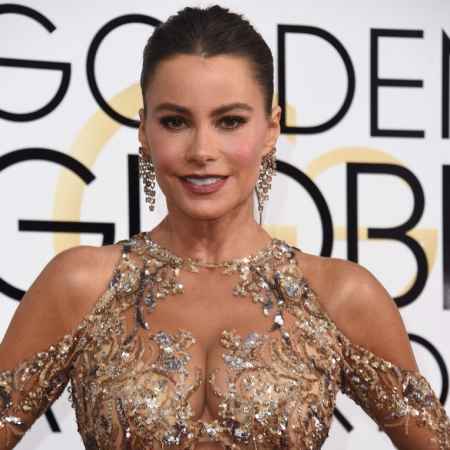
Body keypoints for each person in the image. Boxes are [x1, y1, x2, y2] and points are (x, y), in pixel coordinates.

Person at [0, 4, 449, 450]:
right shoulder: (79, 286)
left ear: (271, 129)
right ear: (144, 130)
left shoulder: (340, 296)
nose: (202, 149)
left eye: (230, 121)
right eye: (175, 122)